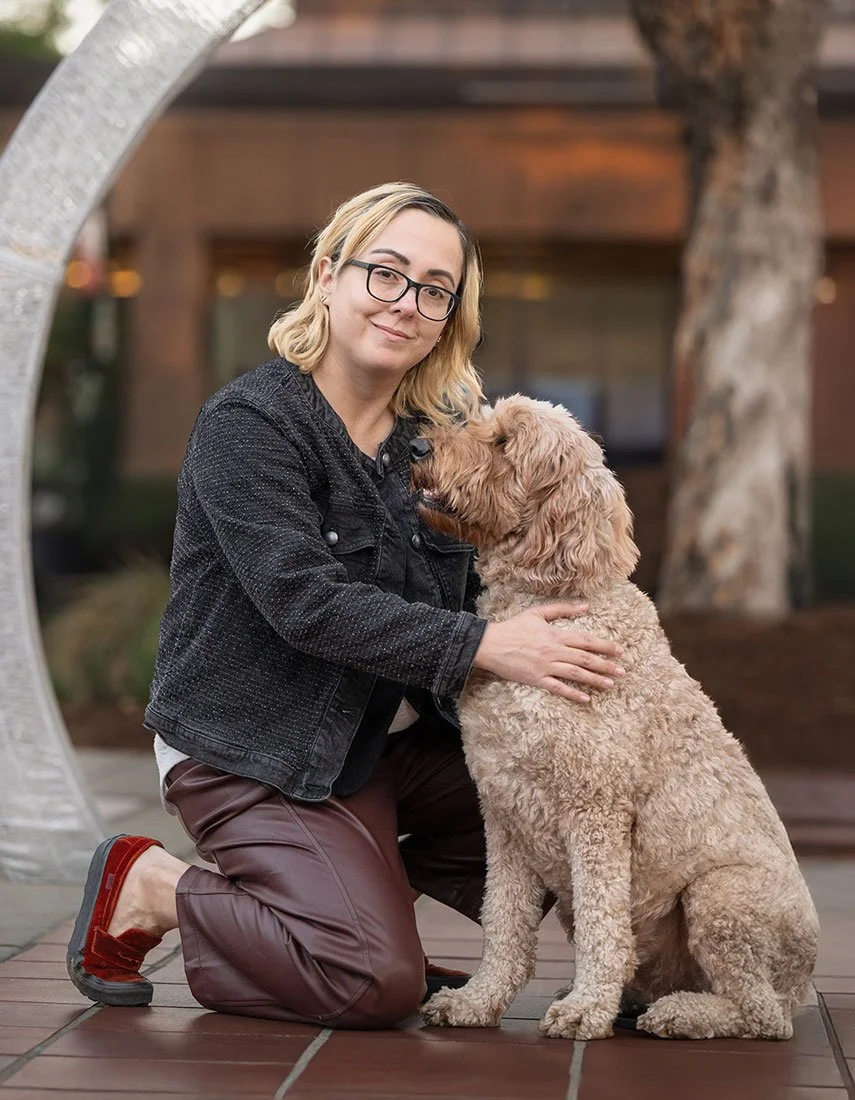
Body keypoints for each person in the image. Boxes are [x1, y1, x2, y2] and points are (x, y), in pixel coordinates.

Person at [66, 182, 625, 1028]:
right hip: (257, 747)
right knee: (372, 982)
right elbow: (304, 603)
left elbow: (513, 555)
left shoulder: (440, 441)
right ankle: (156, 886)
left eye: (435, 290)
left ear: (449, 317)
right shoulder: (250, 426)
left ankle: (322, 909)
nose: (407, 303)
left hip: (389, 746)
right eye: (386, 274)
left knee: (592, 848)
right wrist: (486, 644)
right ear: (328, 276)